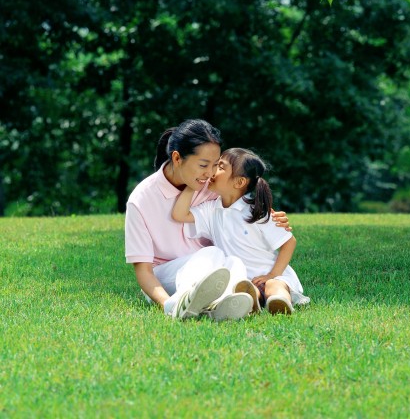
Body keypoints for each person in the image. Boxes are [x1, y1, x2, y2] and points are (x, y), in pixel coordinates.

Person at [125, 119, 291, 321]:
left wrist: (268, 215)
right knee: (211, 254)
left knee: (234, 262)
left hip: (213, 270)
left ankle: (219, 305)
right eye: (204, 165)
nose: (211, 173)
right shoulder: (141, 200)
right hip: (169, 277)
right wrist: (166, 303)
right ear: (177, 158)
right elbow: (143, 271)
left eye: (215, 165)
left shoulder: (209, 185)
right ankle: (182, 302)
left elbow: (238, 199)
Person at [172, 147, 310, 315]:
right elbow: (179, 214)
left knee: (274, 286)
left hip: (272, 274)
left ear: (239, 182)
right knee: (246, 290)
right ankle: (254, 304)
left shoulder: (256, 211)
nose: (213, 170)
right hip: (243, 279)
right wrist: (193, 185)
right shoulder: (211, 210)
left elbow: (289, 242)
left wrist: (273, 274)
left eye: (220, 167)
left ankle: (280, 302)